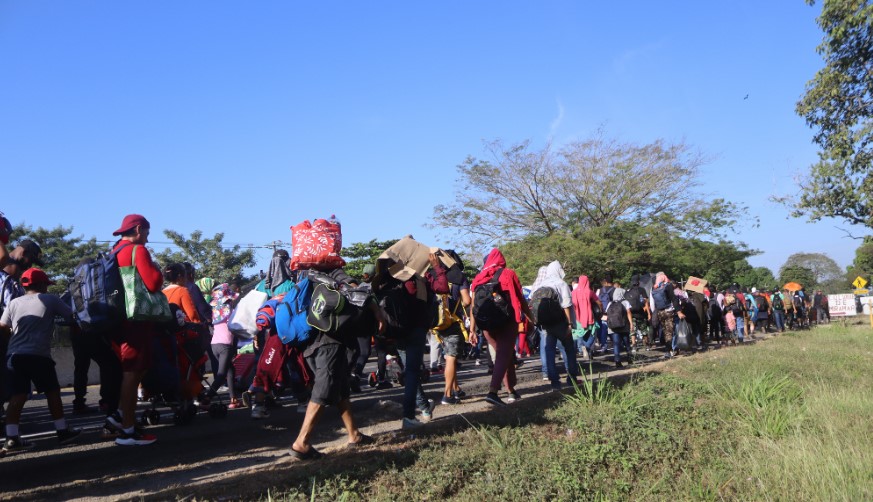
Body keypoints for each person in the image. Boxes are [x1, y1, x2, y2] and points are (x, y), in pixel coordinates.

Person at [289, 271, 386, 460]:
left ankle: (354, 434)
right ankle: (302, 442)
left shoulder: (306, 275)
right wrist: (377, 311)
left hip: (310, 340)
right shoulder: (333, 273)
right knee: (323, 390)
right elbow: (356, 292)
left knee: (341, 387)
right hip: (329, 342)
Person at [1, 268, 81, 453]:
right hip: (38, 355)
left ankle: (12, 438)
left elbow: (3, 326)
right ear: (42, 284)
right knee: (52, 392)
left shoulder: (14, 302)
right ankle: (62, 432)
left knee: (18, 396)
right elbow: (72, 317)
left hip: (15, 356)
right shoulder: (50, 299)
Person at [103, 214, 162, 446]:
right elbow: (153, 283)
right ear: (138, 229)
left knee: (134, 370)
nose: (147, 239)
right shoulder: (137, 250)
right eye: (146, 233)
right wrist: (158, 270)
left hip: (116, 320)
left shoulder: (115, 251)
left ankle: (120, 416)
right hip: (135, 320)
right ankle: (127, 431)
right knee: (133, 373)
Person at [374, 250, 448, 427]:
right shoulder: (418, 278)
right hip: (415, 330)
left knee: (410, 371)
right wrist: (437, 267)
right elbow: (443, 288)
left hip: (397, 331)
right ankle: (408, 417)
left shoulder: (388, 278)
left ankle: (423, 407)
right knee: (412, 372)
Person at [470, 249, 533, 406]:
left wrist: (472, 329)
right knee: (503, 356)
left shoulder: (478, 278)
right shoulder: (508, 274)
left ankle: (511, 390)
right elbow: (520, 299)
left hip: (485, 324)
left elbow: (473, 307)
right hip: (506, 321)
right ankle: (492, 392)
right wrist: (532, 318)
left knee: (504, 356)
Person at [0, 239, 43, 427]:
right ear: (23, 253)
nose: (30, 265)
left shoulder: (14, 283)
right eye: (30, 259)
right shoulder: (4, 278)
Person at [533, 261, 578, 390]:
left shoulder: (541, 284)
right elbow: (566, 305)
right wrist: (570, 324)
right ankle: (572, 378)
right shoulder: (561, 283)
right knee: (569, 350)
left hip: (546, 324)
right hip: (561, 323)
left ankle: (555, 382)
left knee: (549, 351)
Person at [435, 252, 472, 405]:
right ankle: (447, 395)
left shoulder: (434, 275)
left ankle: (456, 389)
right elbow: (467, 300)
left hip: (437, 323)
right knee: (451, 358)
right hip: (453, 323)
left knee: (450, 356)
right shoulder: (459, 277)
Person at [651, 272, 685, 357]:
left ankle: (668, 349)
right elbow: (674, 299)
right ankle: (668, 351)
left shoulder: (654, 288)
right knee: (669, 332)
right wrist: (679, 311)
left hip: (660, 312)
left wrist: (654, 312)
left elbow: (652, 303)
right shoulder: (668, 286)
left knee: (665, 331)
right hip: (668, 311)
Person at [571, 275, 603, 360]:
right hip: (589, 317)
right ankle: (587, 347)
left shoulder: (573, 292)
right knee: (592, 333)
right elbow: (599, 302)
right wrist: (600, 310)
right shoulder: (589, 292)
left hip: (577, 318)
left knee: (580, 334)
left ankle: (583, 348)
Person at [605, 288, 634, 367]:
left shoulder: (610, 303)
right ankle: (630, 358)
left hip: (613, 327)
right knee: (627, 343)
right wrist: (631, 324)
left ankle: (617, 361)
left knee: (616, 344)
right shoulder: (625, 302)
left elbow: (607, 314)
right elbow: (629, 313)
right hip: (624, 326)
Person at [625, 275, 652, 349]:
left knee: (632, 329)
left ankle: (634, 345)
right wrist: (649, 313)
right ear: (638, 282)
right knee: (644, 330)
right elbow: (646, 301)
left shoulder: (628, 291)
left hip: (631, 313)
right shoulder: (641, 290)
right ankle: (646, 345)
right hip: (641, 313)